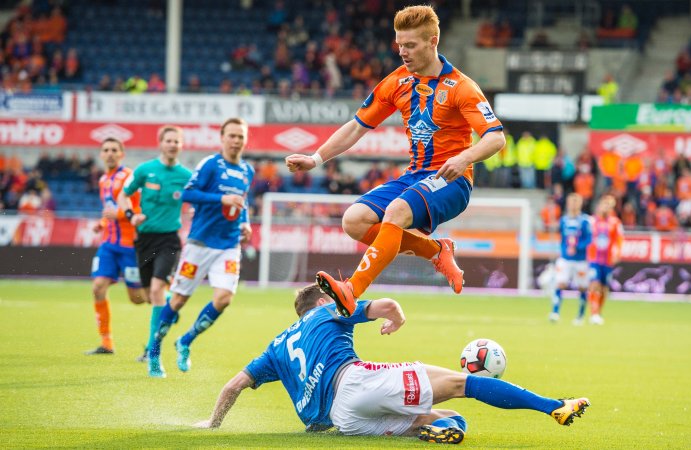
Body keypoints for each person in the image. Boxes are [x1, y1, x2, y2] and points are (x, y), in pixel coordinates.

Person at [285, 5, 505, 318]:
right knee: (354, 220)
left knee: (396, 211)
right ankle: (437, 250)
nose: (402, 52)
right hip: (415, 175)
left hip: (453, 180)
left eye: (411, 45)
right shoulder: (398, 81)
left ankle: (352, 289)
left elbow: (496, 137)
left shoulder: (462, 88)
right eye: (399, 44)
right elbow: (356, 126)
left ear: (433, 41)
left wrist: (465, 157)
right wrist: (315, 157)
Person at [193, 285, 590, 442]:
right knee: (459, 384)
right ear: (319, 302)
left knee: (449, 417)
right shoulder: (329, 309)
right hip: (353, 384)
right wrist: (394, 318)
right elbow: (388, 305)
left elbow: (232, 386)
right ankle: (554, 407)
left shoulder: (274, 348)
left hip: (340, 421)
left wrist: (212, 423)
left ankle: (433, 432)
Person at [147, 118, 254, 378]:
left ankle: (185, 341)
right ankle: (154, 351)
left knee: (224, 298)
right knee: (180, 300)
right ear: (222, 138)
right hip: (200, 243)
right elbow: (188, 194)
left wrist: (246, 222)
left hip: (228, 245)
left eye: (240, 136)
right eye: (232, 135)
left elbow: (242, 201)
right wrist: (221, 198)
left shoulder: (247, 170)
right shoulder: (210, 165)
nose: (236, 140)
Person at [118, 126, 193, 368]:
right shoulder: (144, 170)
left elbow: (199, 199)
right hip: (144, 239)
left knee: (158, 289)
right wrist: (131, 215)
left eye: (176, 141)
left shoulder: (186, 175)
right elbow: (123, 194)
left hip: (169, 239)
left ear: (181, 146)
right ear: (161, 143)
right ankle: (172, 307)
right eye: (168, 140)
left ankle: (153, 351)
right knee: (152, 296)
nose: (172, 144)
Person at [84, 138, 148, 355]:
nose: (110, 153)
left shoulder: (129, 178)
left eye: (114, 150)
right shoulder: (103, 180)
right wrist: (102, 223)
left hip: (130, 246)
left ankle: (165, 303)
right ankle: (106, 342)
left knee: (138, 298)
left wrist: (120, 214)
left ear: (122, 154)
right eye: (106, 150)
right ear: (101, 154)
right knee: (97, 287)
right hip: (109, 244)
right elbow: (109, 210)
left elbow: (139, 208)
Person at [550, 193, 593, 325]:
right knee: (560, 283)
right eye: (571, 202)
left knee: (582, 287)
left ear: (580, 204)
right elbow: (562, 239)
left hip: (580, 260)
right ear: (568, 204)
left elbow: (589, 239)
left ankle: (580, 316)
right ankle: (555, 312)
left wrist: (578, 247)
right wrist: (564, 251)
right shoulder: (563, 220)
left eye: (576, 202)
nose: (574, 205)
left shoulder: (586, 220)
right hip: (565, 259)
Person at [587, 195, 624, 325]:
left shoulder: (615, 222)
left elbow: (619, 240)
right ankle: (594, 313)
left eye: (609, 205)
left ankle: (598, 312)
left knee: (604, 288)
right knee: (594, 284)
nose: (606, 207)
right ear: (599, 205)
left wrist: (617, 253)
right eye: (604, 204)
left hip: (607, 260)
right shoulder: (591, 221)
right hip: (594, 259)